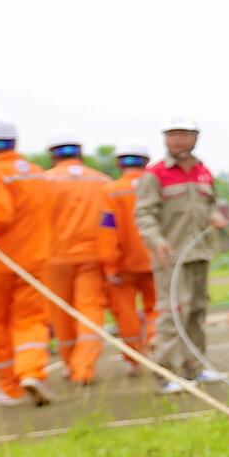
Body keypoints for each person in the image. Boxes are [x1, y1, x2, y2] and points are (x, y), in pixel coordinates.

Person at [132, 117, 229, 393]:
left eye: (183, 134)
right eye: (171, 134)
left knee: (196, 311)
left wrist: (215, 217)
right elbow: (143, 213)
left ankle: (195, 367)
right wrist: (156, 241)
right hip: (169, 256)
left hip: (199, 253)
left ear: (195, 137)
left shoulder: (203, 171)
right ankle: (166, 374)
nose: (176, 140)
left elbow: (210, 204)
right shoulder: (155, 174)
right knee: (172, 313)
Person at [0, 119, 55, 406]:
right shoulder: (37, 173)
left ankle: (9, 388)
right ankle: (31, 371)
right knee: (31, 320)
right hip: (34, 262)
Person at [40, 133, 111, 385]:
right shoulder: (102, 181)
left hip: (53, 258)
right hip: (92, 256)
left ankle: (70, 366)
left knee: (60, 314)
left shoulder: (41, 182)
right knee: (90, 310)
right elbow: (112, 221)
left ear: (52, 155)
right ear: (80, 154)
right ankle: (84, 368)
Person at [98, 144, 157, 371]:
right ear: (146, 162)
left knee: (127, 314)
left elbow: (107, 230)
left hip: (123, 266)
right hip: (156, 260)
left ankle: (135, 359)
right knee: (158, 307)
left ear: (119, 163)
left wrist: (109, 265)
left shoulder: (110, 191)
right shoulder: (156, 187)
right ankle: (155, 338)